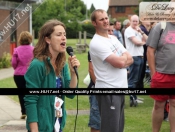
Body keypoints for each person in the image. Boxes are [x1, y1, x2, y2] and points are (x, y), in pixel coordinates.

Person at [24, 19, 80, 132]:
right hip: (42, 126)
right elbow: (30, 100)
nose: (64, 37)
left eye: (65, 34)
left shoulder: (62, 64)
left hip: (57, 122)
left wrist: (73, 74)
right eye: (59, 35)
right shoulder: (37, 65)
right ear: (48, 39)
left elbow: (70, 94)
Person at [90, 9, 133, 132]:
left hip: (119, 88)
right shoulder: (97, 42)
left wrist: (121, 60)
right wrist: (122, 60)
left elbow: (130, 58)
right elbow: (120, 62)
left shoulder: (113, 38)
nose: (105, 21)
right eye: (101, 19)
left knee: (119, 128)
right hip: (108, 90)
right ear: (94, 23)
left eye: (106, 18)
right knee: (111, 128)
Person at [146, 10, 175, 132]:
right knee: (159, 105)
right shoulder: (160, 26)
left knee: (174, 103)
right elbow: (150, 50)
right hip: (162, 74)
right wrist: (154, 74)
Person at [88, 23, 114, 132]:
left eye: (112, 31)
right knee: (97, 122)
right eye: (109, 31)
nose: (111, 34)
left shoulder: (114, 46)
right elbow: (91, 69)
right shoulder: (96, 45)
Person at [124, 15, 148, 106]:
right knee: (133, 79)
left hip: (140, 56)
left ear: (139, 22)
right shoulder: (128, 30)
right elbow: (137, 42)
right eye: (133, 21)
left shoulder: (138, 30)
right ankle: (132, 99)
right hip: (134, 56)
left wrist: (141, 32)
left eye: (136, 21)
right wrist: (144, 42)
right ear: (130, 21)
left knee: (137, 79)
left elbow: (147, 39)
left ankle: (135, 97)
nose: (135, 23)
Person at [11, 31, 34, 119]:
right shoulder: (34, 49)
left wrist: (18, 68)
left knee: (21, 93)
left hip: (18, 75)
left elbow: (13, 63)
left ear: (20, 39)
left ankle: (23, 112)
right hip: (30, 74)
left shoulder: (16, 50)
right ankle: (31, 111)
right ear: (30, 39)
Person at [136, 21, 151, 88]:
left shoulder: (144, 29)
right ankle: (139, 88)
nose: (149, 21)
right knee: (140, 73)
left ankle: (140, 87)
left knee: (141, 73)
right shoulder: (142, 29)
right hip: (142, 53)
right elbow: (146, 42)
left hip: (143, 53)